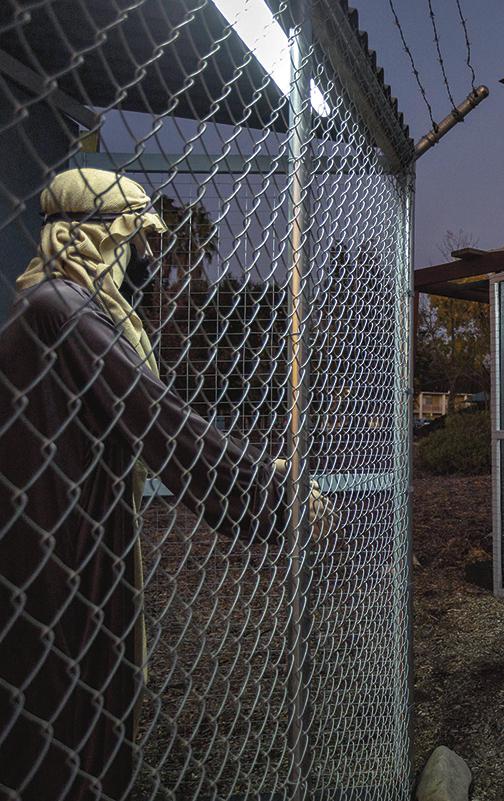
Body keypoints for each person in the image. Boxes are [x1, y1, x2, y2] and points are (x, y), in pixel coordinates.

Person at [0, 168, 328, 800]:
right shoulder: (59, 306)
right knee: (66, 708)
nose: (134, 262)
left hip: (69, 531)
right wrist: (276, 498)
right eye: (129, 244)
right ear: (93, 239)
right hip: (53, 548)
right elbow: (159, 422)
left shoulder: (59, 303)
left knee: (79, 701)